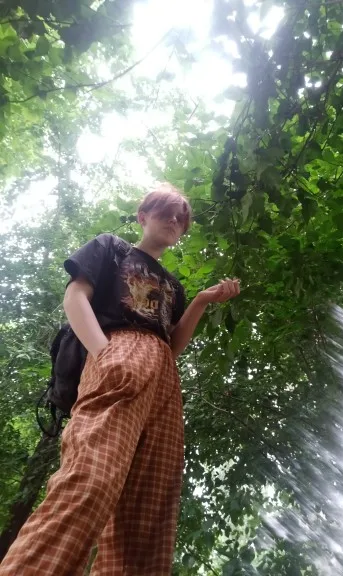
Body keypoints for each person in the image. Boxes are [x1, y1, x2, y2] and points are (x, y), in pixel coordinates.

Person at [0, 183, 240, 575]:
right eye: (166, 212)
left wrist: (200, 301)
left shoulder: (174, 287)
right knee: (91, 478)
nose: (175, 220)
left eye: (181, 218)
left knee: (148, 512)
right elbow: (75, 297)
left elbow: (171, 345)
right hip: (118, 350)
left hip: (164, 377)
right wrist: (103, 352)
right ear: (143, 216)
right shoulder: (111, 248)